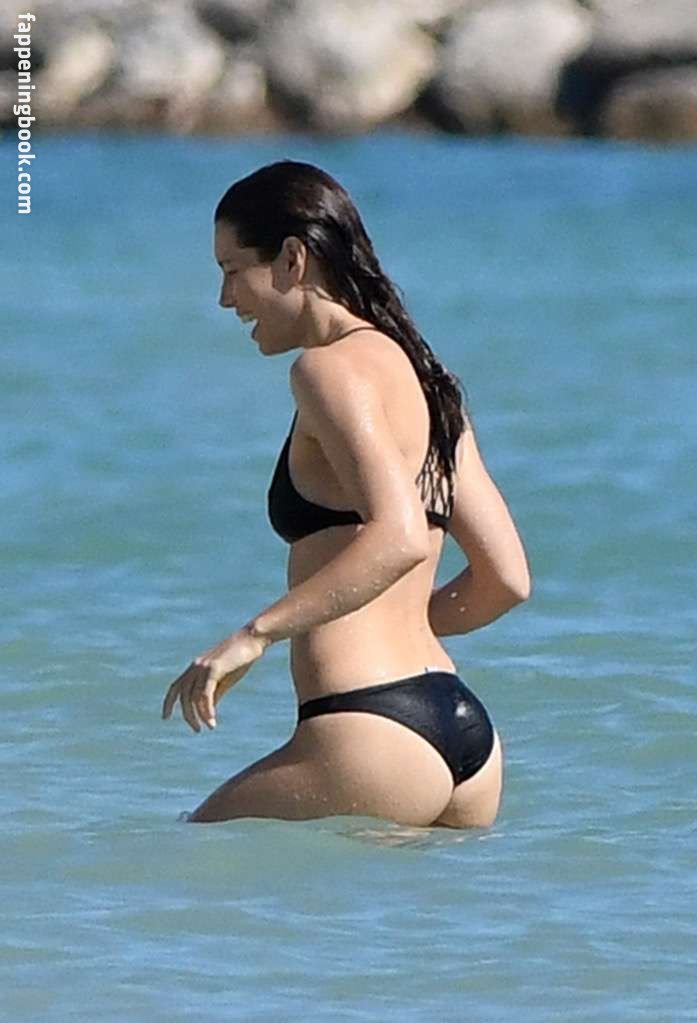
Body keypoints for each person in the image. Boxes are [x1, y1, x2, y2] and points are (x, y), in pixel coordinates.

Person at [162, 160, 531, 828]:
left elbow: (397, 535)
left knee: (176, 865)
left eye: (232, 270)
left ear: (292, 259)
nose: (224, 299)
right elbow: (505, 579)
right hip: (463, 730)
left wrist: (254, 635)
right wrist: (399, 623)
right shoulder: (430, 380)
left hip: (365, 728)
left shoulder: (326, 370)